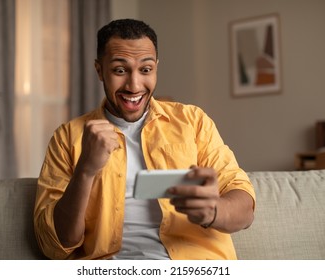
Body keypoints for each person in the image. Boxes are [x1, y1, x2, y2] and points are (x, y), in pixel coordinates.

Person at [34, 18, 255, 260]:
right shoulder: (67, 137)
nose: (134, 85)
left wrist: (213, 211)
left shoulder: (193, 121)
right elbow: (55, 244)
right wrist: (85, 171)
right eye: (120, 70)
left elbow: (244, 206)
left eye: (146, 70)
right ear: (99, 70)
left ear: (156, 68)